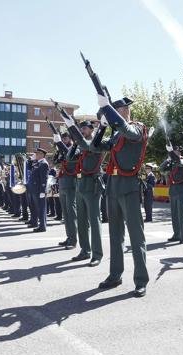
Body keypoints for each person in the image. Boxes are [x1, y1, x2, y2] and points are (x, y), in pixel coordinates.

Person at [64, 95, 148, 297]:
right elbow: (92, 147)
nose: (116, 115)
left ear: (125, 111)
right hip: (113, 186)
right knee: (115, 235)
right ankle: (115, 275)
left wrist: (107, 108)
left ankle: (140, 280)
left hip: (129, 186)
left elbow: (127, 130)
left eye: (117, 111)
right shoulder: (116, 136)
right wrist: (80, 128)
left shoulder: (137, 128)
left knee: (136, 237)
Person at [61, 120, 105, 266]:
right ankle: (85, 250)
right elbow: (69, 158)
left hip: (92, 184)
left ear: (92, 130)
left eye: (84, 129)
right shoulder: (80, 144)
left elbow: (91, 149)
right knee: (81, 221)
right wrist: (74, 144)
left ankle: (97, 254)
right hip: (80, 184)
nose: (82, 131)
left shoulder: (96, 142)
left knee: (94, 220)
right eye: (81, 129)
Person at [53, 133, 79, 249]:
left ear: (70, 139)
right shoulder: (62, 150)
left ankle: (73, 240)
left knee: (71, 213)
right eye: (62, 138)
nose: (64, 140)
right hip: (63, 182)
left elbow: (70, 155)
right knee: (66, 213)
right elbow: (55, 162)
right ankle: (69, 237)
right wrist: (58, 149)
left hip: (71, 183)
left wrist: (60, 145)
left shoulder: (74, 149)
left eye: (66, 138)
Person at [159, 145, 183, 243]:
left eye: (176, 151)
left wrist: (171, 153)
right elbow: (161, 169)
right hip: (173, 189)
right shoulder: (171, 162)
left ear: (179, 152)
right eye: (174, 151)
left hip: (181, 188)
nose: (175, 153)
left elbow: (180, 164)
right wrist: (167, 159)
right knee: (174, 214)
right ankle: (176, 234)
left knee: (182, 214)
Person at [28, 148, 49, 232]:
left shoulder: (44, 164)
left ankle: (42, 226)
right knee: (37, 208)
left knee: (41, 208)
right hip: (34, 189)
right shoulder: (38, 163)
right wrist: (30, 160)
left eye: (37, 154)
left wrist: (43, 191)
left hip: (39, 190)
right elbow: (29, 168)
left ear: (41, 154)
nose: (35, 155)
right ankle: (41, 225)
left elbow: (44, 178)